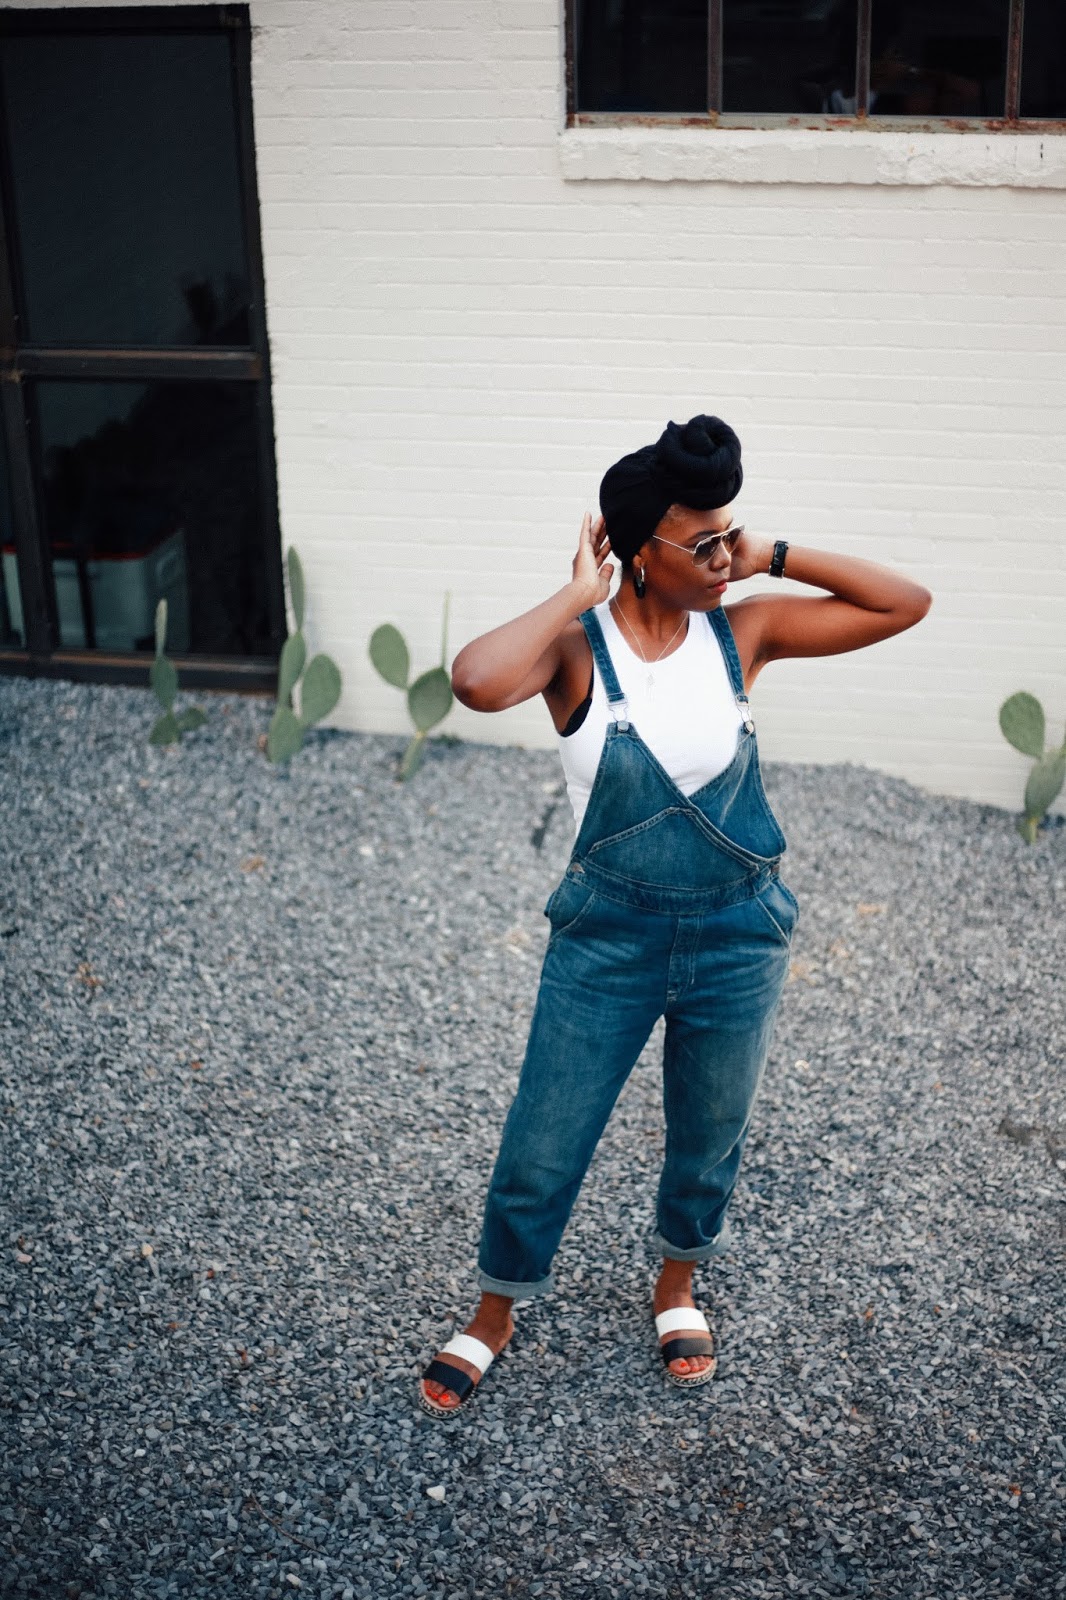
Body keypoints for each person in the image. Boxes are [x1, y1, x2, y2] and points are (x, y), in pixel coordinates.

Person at [418, 415, 931, 1418]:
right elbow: (474, 682)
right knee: (545, 1137)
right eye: (703, 545)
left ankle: (676, 1287)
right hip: (606, 942)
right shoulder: (576, 653)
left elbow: (903, 604)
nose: (722, 560)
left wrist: (768, 551)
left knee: (709, 1133)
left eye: (728, 537)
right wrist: (576, 592)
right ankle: (494, 1310)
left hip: (737, 933)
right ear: (638, 552)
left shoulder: (745, 631)